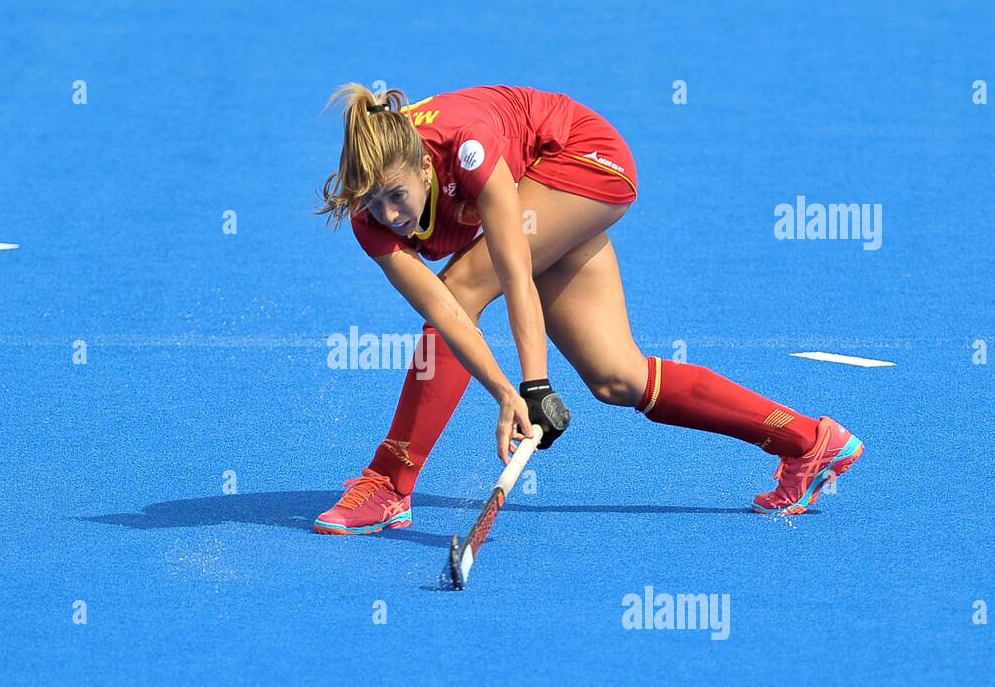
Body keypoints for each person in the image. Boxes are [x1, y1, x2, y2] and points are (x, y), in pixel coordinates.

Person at [312, 84, 863, 534]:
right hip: (534, 179)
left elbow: (512, 275)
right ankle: (809, 442)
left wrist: (534, 386)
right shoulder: (367, 216)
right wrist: (508, 393)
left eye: (396, 196)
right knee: (615, 377)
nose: (388, 215)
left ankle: (390, 483)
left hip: (582, 159)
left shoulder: (468, 148)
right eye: (373, 203)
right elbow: (446, 317)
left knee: (465, 284)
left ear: (425, 172)